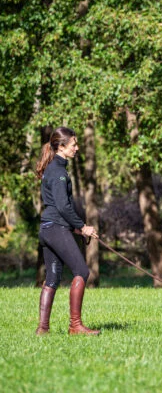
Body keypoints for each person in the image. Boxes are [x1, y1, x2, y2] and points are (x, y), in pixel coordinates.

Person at [34, 127, 100, 335]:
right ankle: (75, 326)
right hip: (55, 228)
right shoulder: (59, 172)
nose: (77, 148)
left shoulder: (51, 169)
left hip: (47, 229)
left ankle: (43, 329)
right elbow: (63, 206)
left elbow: (56, 206)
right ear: (61, 147)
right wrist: (82, 226)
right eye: (73, 145)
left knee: (52, 279)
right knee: (82, 271)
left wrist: (74, 228)